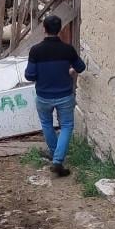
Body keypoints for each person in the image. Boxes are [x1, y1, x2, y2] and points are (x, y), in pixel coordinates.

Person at [24, 15, 86, 176]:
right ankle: (58, 160)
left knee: (46, 124)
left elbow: (29, 76)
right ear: (60, 29)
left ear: (44, 29)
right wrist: (69, 70)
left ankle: (55, 155)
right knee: (67, 126)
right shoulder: (68, 49)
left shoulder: (35, 50)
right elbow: (81, 67)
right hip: (65, 95)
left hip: (43, 96)